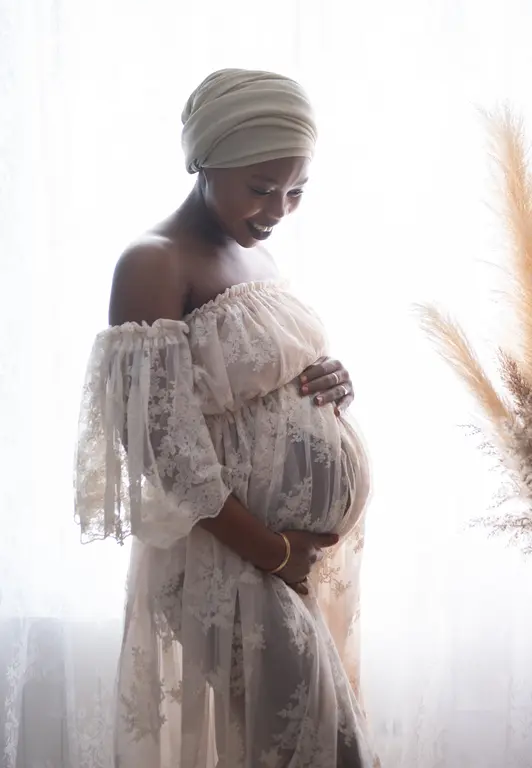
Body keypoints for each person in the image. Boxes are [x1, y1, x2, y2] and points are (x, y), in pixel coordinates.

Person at [75, 69, 377, 767]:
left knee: (326, 744)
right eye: (262, 186)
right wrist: (271, 550)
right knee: (320, 752)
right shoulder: (153, 262)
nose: (281, 206)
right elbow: (160, 444)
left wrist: (334, 380)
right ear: (204, 160)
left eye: (298, 187)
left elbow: (267, 380)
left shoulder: (258, 253)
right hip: (232, 555)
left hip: (282, 559)